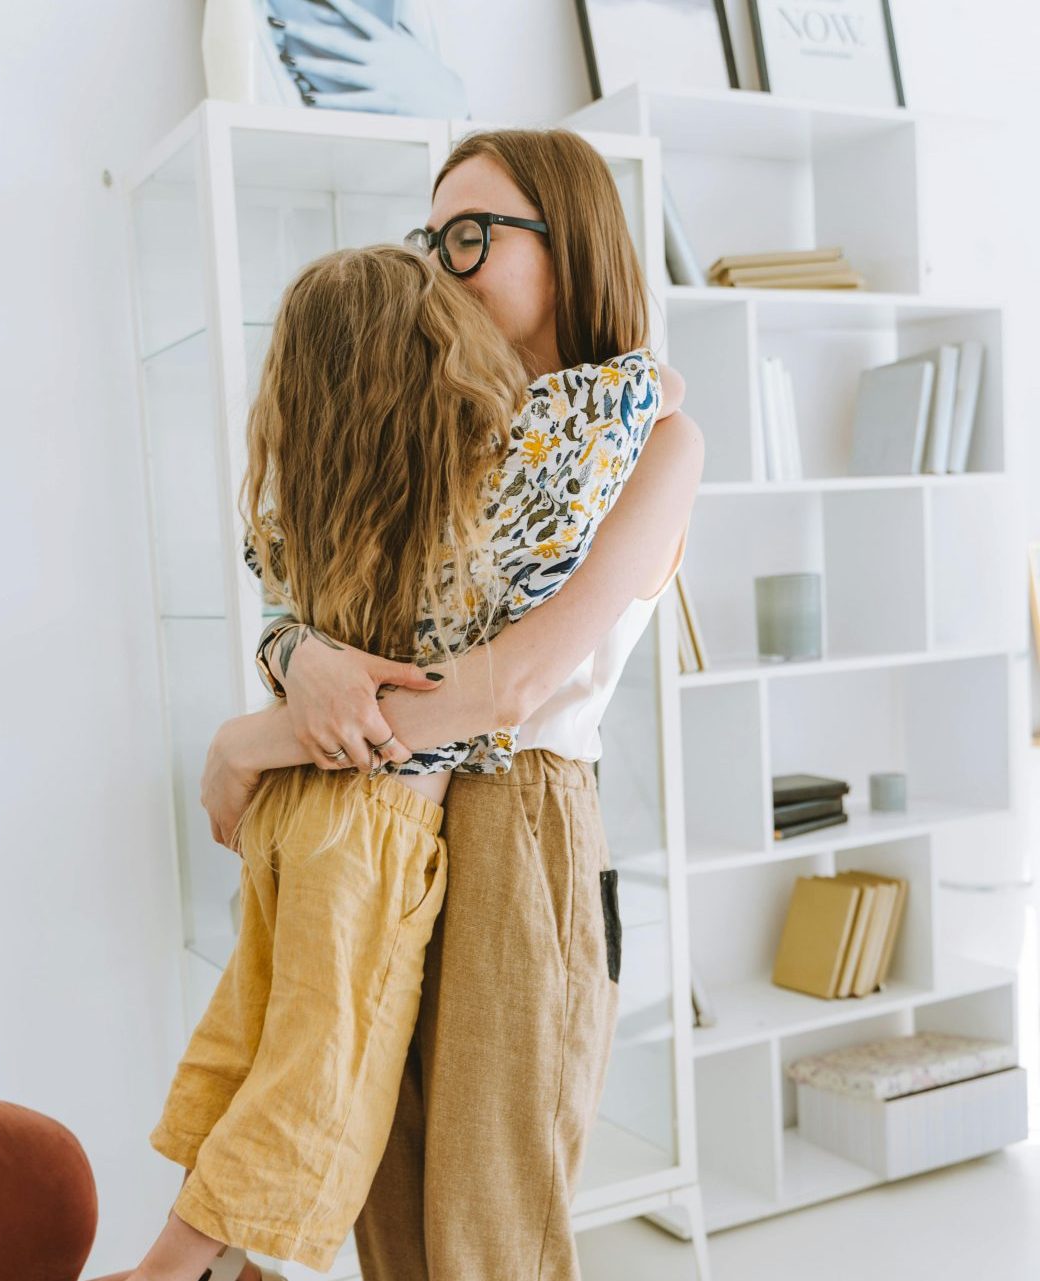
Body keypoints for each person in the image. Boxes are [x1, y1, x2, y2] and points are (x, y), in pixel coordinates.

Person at [199, 128, 705, 1281]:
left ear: (567, 251)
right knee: (380, 1210)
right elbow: (328, 601)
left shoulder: (657, 442)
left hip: (516, 822)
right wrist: (294, 656)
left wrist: (253, 739)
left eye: (471, 236)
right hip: (371, 820)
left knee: (485, 1236)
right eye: (430, 240)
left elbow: (510, 682)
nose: (441, 263)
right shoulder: (433, 426)